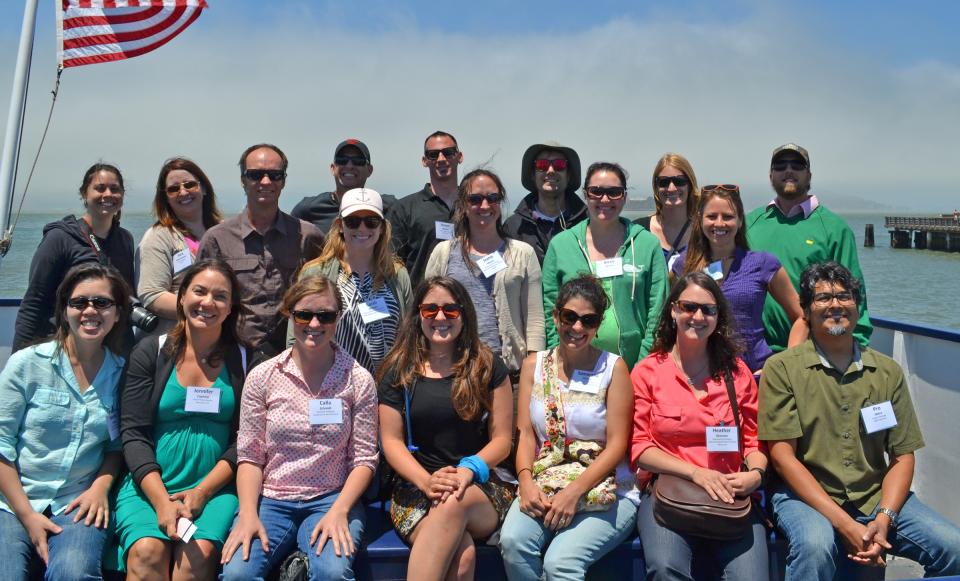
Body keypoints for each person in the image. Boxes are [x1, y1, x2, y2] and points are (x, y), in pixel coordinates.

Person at [759, 261, 960, 580]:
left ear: (857, 305)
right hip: (804, 497)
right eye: (823, 298)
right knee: (814, 545)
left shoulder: (886, 372)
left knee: (953, 548)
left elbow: (902, 456)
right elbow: (783, 459)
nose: (835, 305)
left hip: (873, 494)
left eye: (844, 296)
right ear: (806, 310)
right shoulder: (782, 369)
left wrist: (884, 517)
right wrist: (845, 524)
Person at [220, 276, 378, 581]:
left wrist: (340, 510)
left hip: (332, 496)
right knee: (238, 573)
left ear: (338, 318)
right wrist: (249, 513)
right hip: (271, 499)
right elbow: (250, 456)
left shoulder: (358, 380)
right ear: (289, 314)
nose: (314, 324)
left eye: (326, 316)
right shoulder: (263, 377)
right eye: (304, 314)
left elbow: (364, 460)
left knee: (332, 573)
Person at [632, 271, 770, 580]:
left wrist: (755, 475)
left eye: (708, 309)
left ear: (718, 317)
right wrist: (695, 472)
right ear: (673, 310)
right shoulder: (647, 372)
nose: (697, 316)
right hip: (667, 497)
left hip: (730, 498)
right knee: (667, 569)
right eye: (689, 307)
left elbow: (754, 440)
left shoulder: (737, 374)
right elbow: (640, 447)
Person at [115, 260, 247, 580]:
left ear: (231, 308)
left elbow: (246, 437)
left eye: (220, 296)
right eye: (199, 291)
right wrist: (161, 501)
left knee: (196, 555)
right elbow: (133, 432)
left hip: (215, 488)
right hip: (151, 486)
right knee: (146, 551)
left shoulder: (245, 358)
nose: (207, 303)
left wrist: (202, 493)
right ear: (181, 297)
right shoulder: (150, 352)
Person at [499, 275, 637, 580]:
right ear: (555, 316)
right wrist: (525, 483)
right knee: (513, 543)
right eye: (569, 317)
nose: (577, 327)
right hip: (545, 481)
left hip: (607, 488)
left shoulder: (614, 368)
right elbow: (524, 434)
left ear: (598, 324)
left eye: (588, 320)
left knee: (560, 563)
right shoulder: (534, 365)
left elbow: (617, 446)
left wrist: (574, 491)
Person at [377, 277, 514, 581]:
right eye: (431, 310)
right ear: (418, 315)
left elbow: (503, 440)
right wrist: (426, 482)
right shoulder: (399, 370)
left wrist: (468, 470)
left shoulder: (487, 365)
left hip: (481, 485)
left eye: (451, 310)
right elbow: (391, 441)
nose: (440, 318)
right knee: (462, 559)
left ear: (464, 315)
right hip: (416, 487)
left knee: (453, 501)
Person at [0, 263, 130, 580]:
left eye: (102, 303)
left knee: (74, 573)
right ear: (64, 309)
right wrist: (28, 516)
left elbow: (116, 446)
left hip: (78, 500)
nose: (90, 311)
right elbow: (1, 446)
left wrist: (100, 488)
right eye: (79, 302)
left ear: (117, 313)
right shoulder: (27, 364)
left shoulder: (122, 373)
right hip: (12, 499)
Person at [197, 143, 324, 355]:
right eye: (255, 174)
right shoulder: (217, 239)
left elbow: (326, 294)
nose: (265, 181)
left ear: (283, 181)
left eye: (275, 175)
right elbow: (200, 299)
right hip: (234, 353)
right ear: (243, 181)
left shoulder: (308, 236)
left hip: (293, 353)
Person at [746, 143, 871, 353]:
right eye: (780, 165)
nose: (788, 170)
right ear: (770, 176)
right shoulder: (749, 224)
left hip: (814, 353)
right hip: (755, 355)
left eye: (797, 165)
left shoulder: (835, 229)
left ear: (809, 175)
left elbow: (855, 295)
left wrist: (855, 346)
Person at [542, 162, 668, 368]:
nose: (605, 199)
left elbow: (658, 311)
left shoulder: (647, 244)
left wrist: (642, 368)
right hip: (574, 367)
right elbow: (550, 310)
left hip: (633, 368)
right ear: (586, 195)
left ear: (624, 196)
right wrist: (561, 361)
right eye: (596, 192)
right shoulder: (561, 245)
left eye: (614, 192)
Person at [424, 168, 545, 377]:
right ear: (463, 204)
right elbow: (426, 313)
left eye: (493, 198)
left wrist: (533, 371)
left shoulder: (523, 254)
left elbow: (534, 320)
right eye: (475, 199)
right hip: (453, 371)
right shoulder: (443, 253)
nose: (485, 205)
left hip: (508, 374)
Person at [675, 184, 807, 372]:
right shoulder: (684, 264)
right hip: (702, 376)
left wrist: (788, 363)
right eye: (711, 216)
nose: (719, 223)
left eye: (728, 217)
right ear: (700, 220)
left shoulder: (763, 263)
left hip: (754, 374)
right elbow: (670, 317)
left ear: (739, 221)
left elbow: (802, 316)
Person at [13, 163, 135, 352]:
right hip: (65, 346)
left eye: (115, 189)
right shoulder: (60, 238)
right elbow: (35, 301)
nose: (108, 194)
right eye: (100, 188)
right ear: (84, 194)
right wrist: (19, 358)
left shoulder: (125, 240)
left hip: (109, 350)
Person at [293, 187, 411, 373]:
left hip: (386, 390)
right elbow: (296, 333)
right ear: (340, 225)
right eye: (353, 221)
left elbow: (408, 334)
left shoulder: (398, 275)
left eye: (371, 222)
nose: (362, 228)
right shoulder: (315, 273)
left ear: (382, 227)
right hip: (331, 387)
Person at [137, 157, 224, 334]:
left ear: (204, 188)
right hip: (176, 338)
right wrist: (204, 309)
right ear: (165, 198)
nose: (183, 192)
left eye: (189, 185)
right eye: (173, 189)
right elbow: (152, 295)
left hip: (220, 337)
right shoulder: (158, 237)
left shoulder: (224, 231)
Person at [387, 131, 464, 287]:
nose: (441, 159)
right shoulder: (404, 208)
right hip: (421, 305)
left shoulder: (475, 205)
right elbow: (390, 262)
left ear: (459, 156)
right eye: (433, 155)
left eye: (448, 153)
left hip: (469, 303)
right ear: (424, 161)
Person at [503, 142, 587, 265]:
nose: (551, 171)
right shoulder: (513, 226)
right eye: (542, 165)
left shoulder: (587, 222)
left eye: (559, 165)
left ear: (568, 175)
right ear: (533, 175)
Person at [291, 139, 396, 235]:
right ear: (332, 168)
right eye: (342, 160)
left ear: (370, 170)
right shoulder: (307, 209)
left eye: (358, 161)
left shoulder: (389, 207)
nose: (349, 166)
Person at [633, 153, 699, 272]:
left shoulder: (702, 232)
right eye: (664, 182)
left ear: (690, 185)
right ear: (656, 187)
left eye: (679, 181)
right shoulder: (638, 230)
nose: (671, 188)